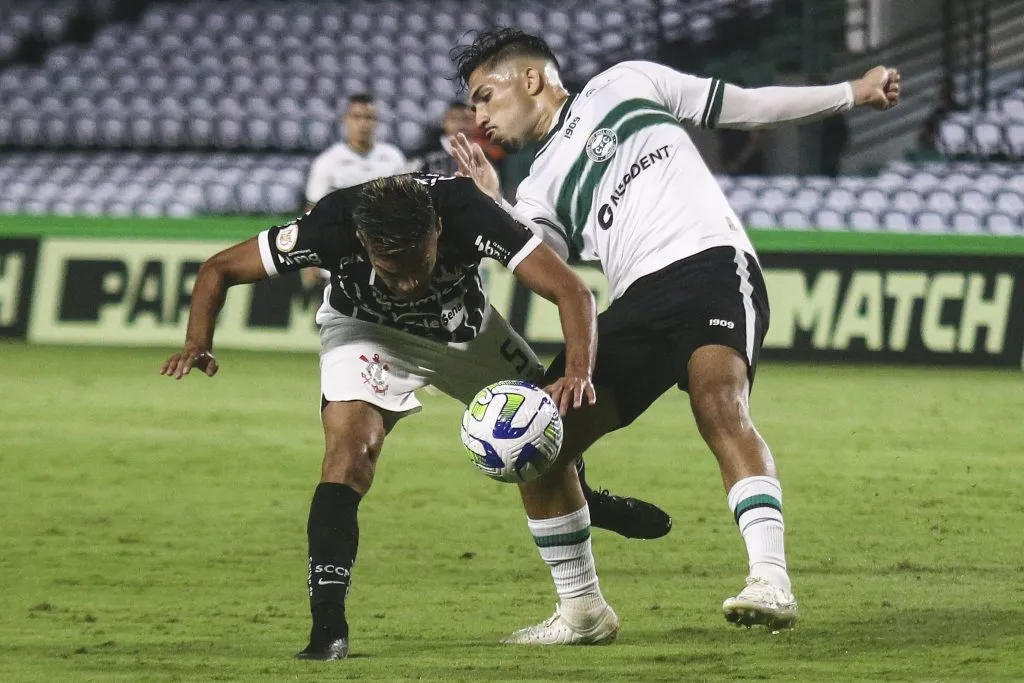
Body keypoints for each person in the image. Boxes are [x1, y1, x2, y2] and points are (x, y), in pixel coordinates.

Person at [449, 28, 900, 642]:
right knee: (540, 438)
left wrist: (854, 91)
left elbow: (747, 105)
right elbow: (546, 269)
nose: (479, 119)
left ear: (529, 80)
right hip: (637, 300)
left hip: (712, 264)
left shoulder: (629, 82)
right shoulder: (538, 186)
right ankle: (582, 611)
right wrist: (495, 208)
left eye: (484, 96)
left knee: (719, 402)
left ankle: (770, 579)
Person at [159, 172, 662, 660]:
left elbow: (572, 291)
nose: (405, 285)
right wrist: (197, 343)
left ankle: (587, 506)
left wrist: (578, 372)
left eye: (417, 266)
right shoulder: (331, 223)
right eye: (390, 270)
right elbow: (218, 269)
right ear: (360, 240)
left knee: (543, 442)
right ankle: (328, 625)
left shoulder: (467, 209)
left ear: (437, 230)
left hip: (465, 335)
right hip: (364, 332)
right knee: (349, 456)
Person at [300, 94, 408, 288]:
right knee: (331, 317)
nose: (363, 124)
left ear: (376, 122)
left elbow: (406, 207)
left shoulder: (393, 158)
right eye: (357, 117)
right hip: (338, 259)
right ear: (346, 120)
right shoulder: (328, 162)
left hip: (385, 259)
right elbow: (312, 211)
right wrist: (308, 262)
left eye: (368, 118)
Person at [407, 102, 476, 176]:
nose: (460, 124)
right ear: (443, 122)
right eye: (454, 119)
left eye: (466, 120)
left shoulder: (483, 154)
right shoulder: (423, 156)